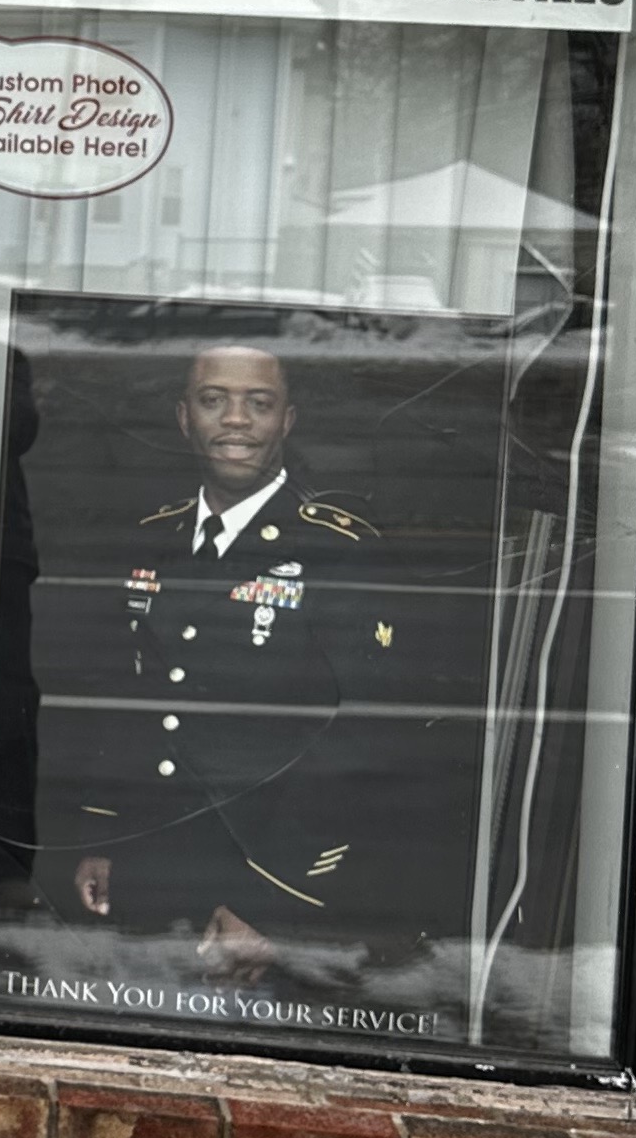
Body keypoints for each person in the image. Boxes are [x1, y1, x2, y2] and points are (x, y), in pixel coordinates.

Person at [60, 342, 401, 980]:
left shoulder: (337, 548)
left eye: (259, 403)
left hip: (262, 868)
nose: (236, 420)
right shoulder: (151, 536)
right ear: (183, 418)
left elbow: (360, 736)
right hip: (145, 865)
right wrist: (102, 838)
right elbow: (125, 698)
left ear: (287, 421)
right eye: (213, 400)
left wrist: (269, 903)